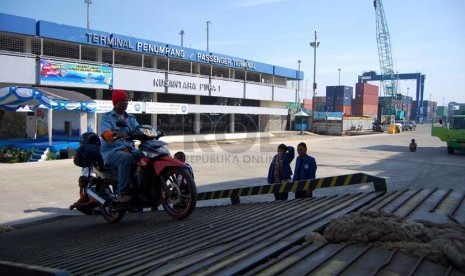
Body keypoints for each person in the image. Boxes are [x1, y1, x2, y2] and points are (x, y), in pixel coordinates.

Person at [100, 89, 141, 203]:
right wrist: (114, 134)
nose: (125, 102)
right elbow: (106, 132)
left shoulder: (131, 118)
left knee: (146, 156)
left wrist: (149, 132)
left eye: (126, 100)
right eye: (122, 100)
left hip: (129, 149)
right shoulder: (107, 117)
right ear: (116, 103)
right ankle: (122, 192)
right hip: (111, 152)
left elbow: (138, 129)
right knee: (125, 158)